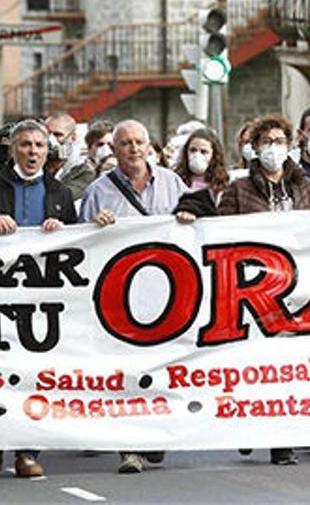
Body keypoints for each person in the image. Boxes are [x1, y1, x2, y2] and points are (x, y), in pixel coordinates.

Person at [0, 119, 77, 478]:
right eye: (25, 145)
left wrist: (63, 232)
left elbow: (78, 245)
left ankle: (26, 451)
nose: (33, 152)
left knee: (35, 377)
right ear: (12, 150)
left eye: (39, 145)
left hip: (42, 303)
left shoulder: (59, 193)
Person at [217, 115, 310, 467]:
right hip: (253, 292)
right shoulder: (239, 190)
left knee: (288, 368)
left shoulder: (305, 186)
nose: (273, 148)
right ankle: (253, 427)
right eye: (267, 142)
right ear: (255, 148)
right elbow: (218, 235)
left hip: (297, 290)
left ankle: (283, 441)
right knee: (256, 368)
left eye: (280, 141)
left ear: (290, 145)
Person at [81, 120, 188, 474]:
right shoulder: (99, 191)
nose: (133, 148)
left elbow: (200, 222)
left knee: (163, 369)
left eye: (139, 141)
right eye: (125, 143)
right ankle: (129, 446)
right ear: (114, 149)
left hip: (168, 292)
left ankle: (153, 435)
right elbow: (81, 244)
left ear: (149, 145)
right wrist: (96, 226)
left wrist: (192, 215)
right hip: (121, 298)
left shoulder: (172, 184)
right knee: (127, 373)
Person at [172, 128, 230, 218]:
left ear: (214, 155)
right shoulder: (175, 179)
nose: (197, 155)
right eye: (193, 150)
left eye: (204, 152)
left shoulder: (221, 183)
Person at [45, 113, 94, 200]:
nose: (50, 140)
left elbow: (60, 199)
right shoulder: (35, 164)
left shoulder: (84, 171)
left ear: (73, 138)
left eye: (57, 135)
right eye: (46, 134)